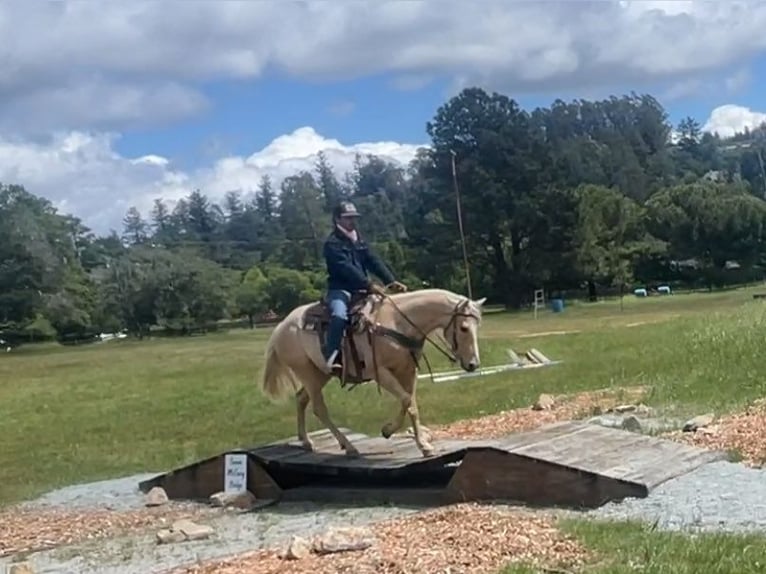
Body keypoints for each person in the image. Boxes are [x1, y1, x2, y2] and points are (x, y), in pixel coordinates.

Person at [321, 200, 407, 373]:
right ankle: (332, 356)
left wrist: (390, 281)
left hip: (362, 290)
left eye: (354, 217)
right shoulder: (332, 243)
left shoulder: (358, 239)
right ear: (337, 219)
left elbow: (373, 261)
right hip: (340, 290)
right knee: (339, 315)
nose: (352, 221)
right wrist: (369, 284)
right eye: (348, 218)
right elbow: (345, 268)